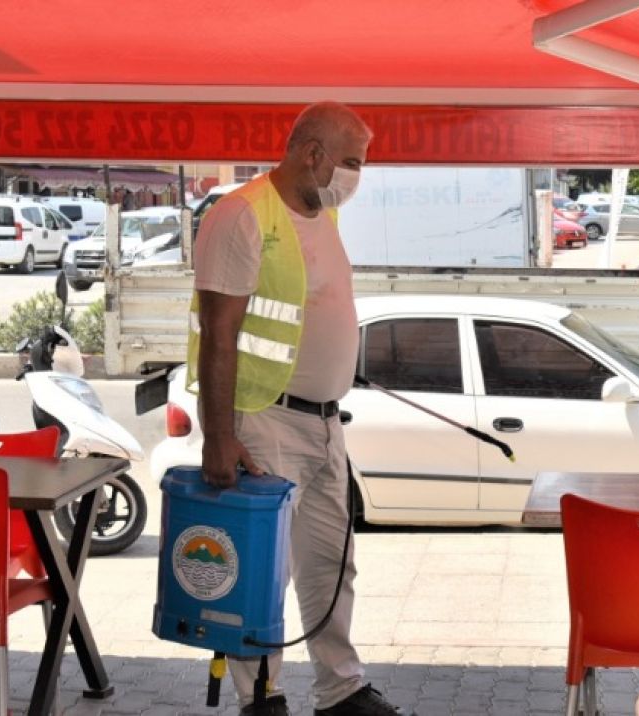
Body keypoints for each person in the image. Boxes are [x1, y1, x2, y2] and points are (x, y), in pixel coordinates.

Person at [188, 102, 402, 716]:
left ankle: (341, 689)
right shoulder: (242, 216)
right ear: (313, 155)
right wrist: (218, 436)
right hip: (264, 419)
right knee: (262, 570)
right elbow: (219, 335)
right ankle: (260, 694)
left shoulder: (322, 211)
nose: (355, 178)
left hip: (326, 421)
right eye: (352, 163)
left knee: (332, 565)